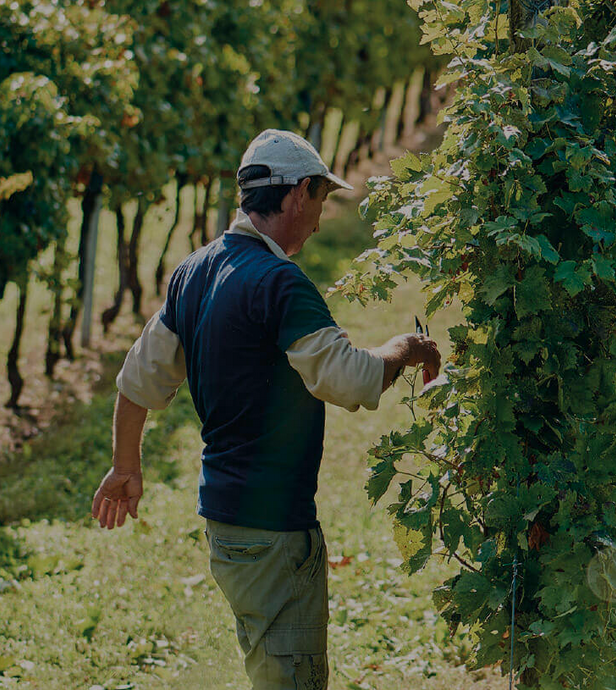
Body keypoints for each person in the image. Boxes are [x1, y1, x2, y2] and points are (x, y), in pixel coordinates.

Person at [91, 129, 442, 690]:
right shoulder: (281, 284)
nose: (322, 219)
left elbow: (137, 381)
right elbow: (348, 378)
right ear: (299, 192)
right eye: (322, 200)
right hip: (274, 530)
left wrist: (126, 465)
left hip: (226, 528)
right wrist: (407, 347)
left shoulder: (194, 272)